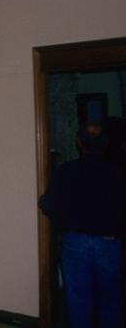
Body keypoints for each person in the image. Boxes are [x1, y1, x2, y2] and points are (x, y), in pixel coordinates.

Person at [39, 122, 126, 328]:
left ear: (79, 142)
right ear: (105, 144)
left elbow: (48, 204)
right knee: (111, 302)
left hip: (75, 242)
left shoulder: (66, 171)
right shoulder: (118, 174)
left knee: (78, 302)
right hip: (109, 243)